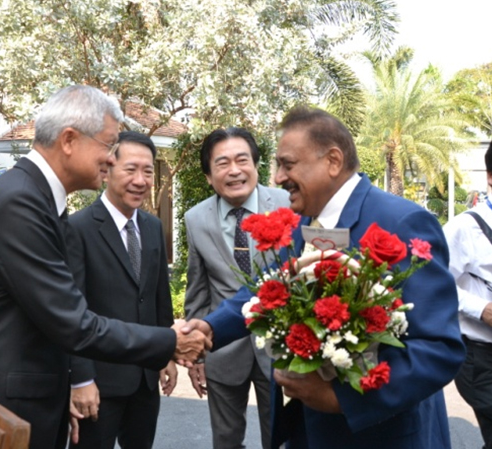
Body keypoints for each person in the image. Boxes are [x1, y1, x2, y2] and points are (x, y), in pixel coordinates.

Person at [183, 106, 465, 449]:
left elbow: (439, 349)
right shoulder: (303, 225)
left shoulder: (403, 222)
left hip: (381, 436)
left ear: (332, 160)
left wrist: (343, 399)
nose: (276, 178)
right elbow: (270, 288)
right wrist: (211, 328)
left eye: (287, 164)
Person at [0, 85, 208, 449]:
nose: (110, 158)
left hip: (32, 400)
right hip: (8, 407)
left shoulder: (38, 198)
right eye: (108, 145)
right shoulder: (20, 203)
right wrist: (170, 342)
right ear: (70, 140)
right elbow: (73, 322)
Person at [65, 131, 177, 448]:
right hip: (98, 384)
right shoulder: (78, 229)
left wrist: (165, 353)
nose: (140, 180)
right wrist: (80, 378)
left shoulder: (153, 227)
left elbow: (158, 298)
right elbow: (72, 312)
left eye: (148, 170)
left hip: (144, 380)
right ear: (108, 169)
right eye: (131, 169)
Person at [184, 127, 289, 449]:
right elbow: (197, 289)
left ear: (256, 165)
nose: (234, 170)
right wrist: (197, 354)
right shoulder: (195, 218)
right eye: (222, 163)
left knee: (282, 437)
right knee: (226, 441)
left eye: (242, 160)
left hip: (281, 348)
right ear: (208, 176)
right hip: (223, 349)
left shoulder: (287, 204)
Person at [444, 134, 492, 449]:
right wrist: (481, 309)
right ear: (491, 177)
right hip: (485, 358)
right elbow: (430, 283)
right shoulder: (463, 228)